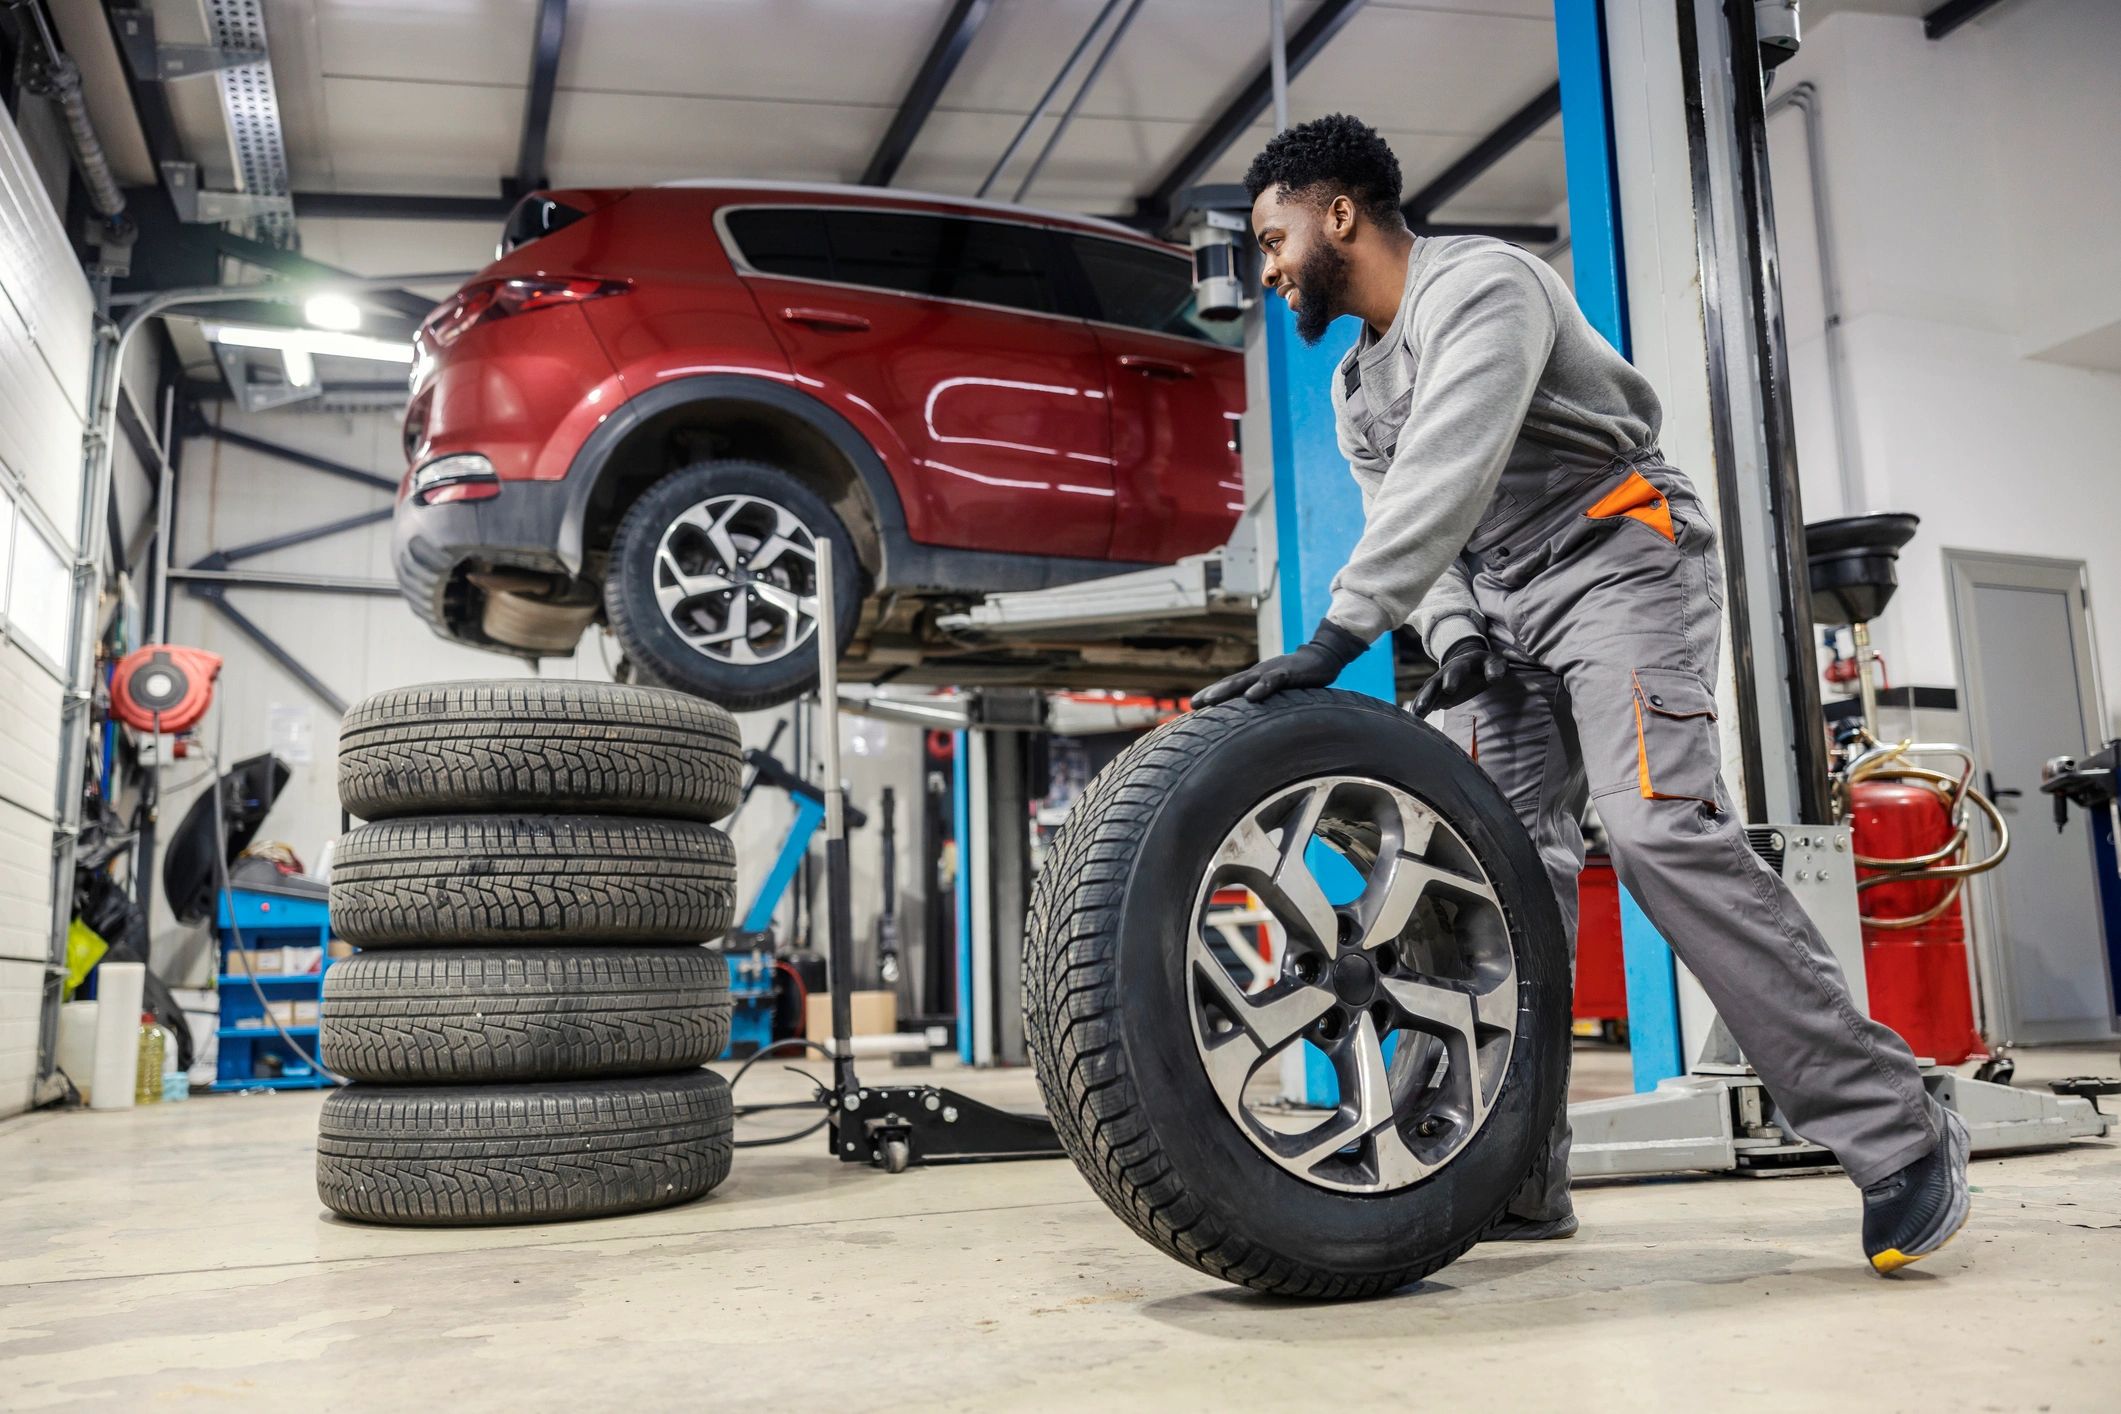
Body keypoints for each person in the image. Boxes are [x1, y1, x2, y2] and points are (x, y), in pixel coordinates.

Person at [1196, 114, 1968, 1274]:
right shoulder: (1359, 388)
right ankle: (1507, 1174)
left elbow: (1451, 462)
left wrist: (1338, 634)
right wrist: (1450, 632)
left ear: (1337, 213)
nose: (1266, 268)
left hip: (1620, 562)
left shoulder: (1486, 287)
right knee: (1485, 880)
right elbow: (1425, 529)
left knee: (1660, 833)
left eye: (1272, 236)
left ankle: (1899, 1130)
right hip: (1505, 609)